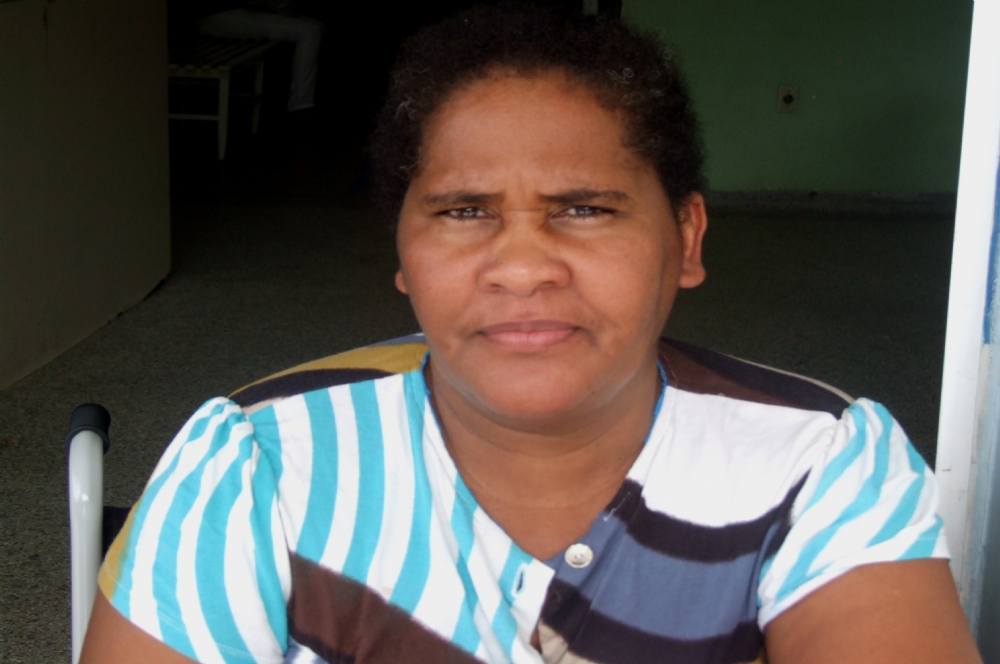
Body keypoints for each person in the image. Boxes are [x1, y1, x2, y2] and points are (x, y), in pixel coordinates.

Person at [81, 5, 982, 663]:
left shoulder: (820, 467)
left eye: (584, 208)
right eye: (463, 210)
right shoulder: (257, 468)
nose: (521, 268)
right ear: (402, 253)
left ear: (687, 238)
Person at [196, 1, 323, 112]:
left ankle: (299, 100)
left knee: (315, 27)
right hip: (220, 14)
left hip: (233, 11)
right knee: (310, 32)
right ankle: (301, 104)